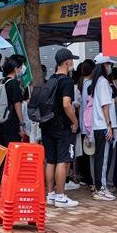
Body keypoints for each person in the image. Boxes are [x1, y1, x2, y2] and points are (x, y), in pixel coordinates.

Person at [42, 49, 79, 208]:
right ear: (67, 62)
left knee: (51, 161)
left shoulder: (50, 79)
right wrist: (75, 122)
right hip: (62, 126)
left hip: (47, 125)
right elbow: (66, 104)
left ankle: (50, 194)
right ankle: (60, 196)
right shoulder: (67, 83)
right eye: (71, 60)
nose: (72, 64)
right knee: (63, 161)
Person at [0, 56, 26, 190]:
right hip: (11, 123)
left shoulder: (1, 82)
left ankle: (2, 183)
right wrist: (21, 123)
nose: (22, 70)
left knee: (4, 154)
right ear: (15, 69)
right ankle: (7, 185)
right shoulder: (14, 84)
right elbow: (17, 104)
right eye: (20, 67)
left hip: (1, 122)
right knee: (12, 155)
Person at [90, 54, 116, 201]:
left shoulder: (97, 82)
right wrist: (109, 125)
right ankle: (101, 188)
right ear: (104, 65)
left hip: (97, 125)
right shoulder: (104, 82)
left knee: (100, 157)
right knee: (104, 157)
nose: (110, 66)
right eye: (108, 64)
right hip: (103, 125)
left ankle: (98, 186)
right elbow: (105, 105)